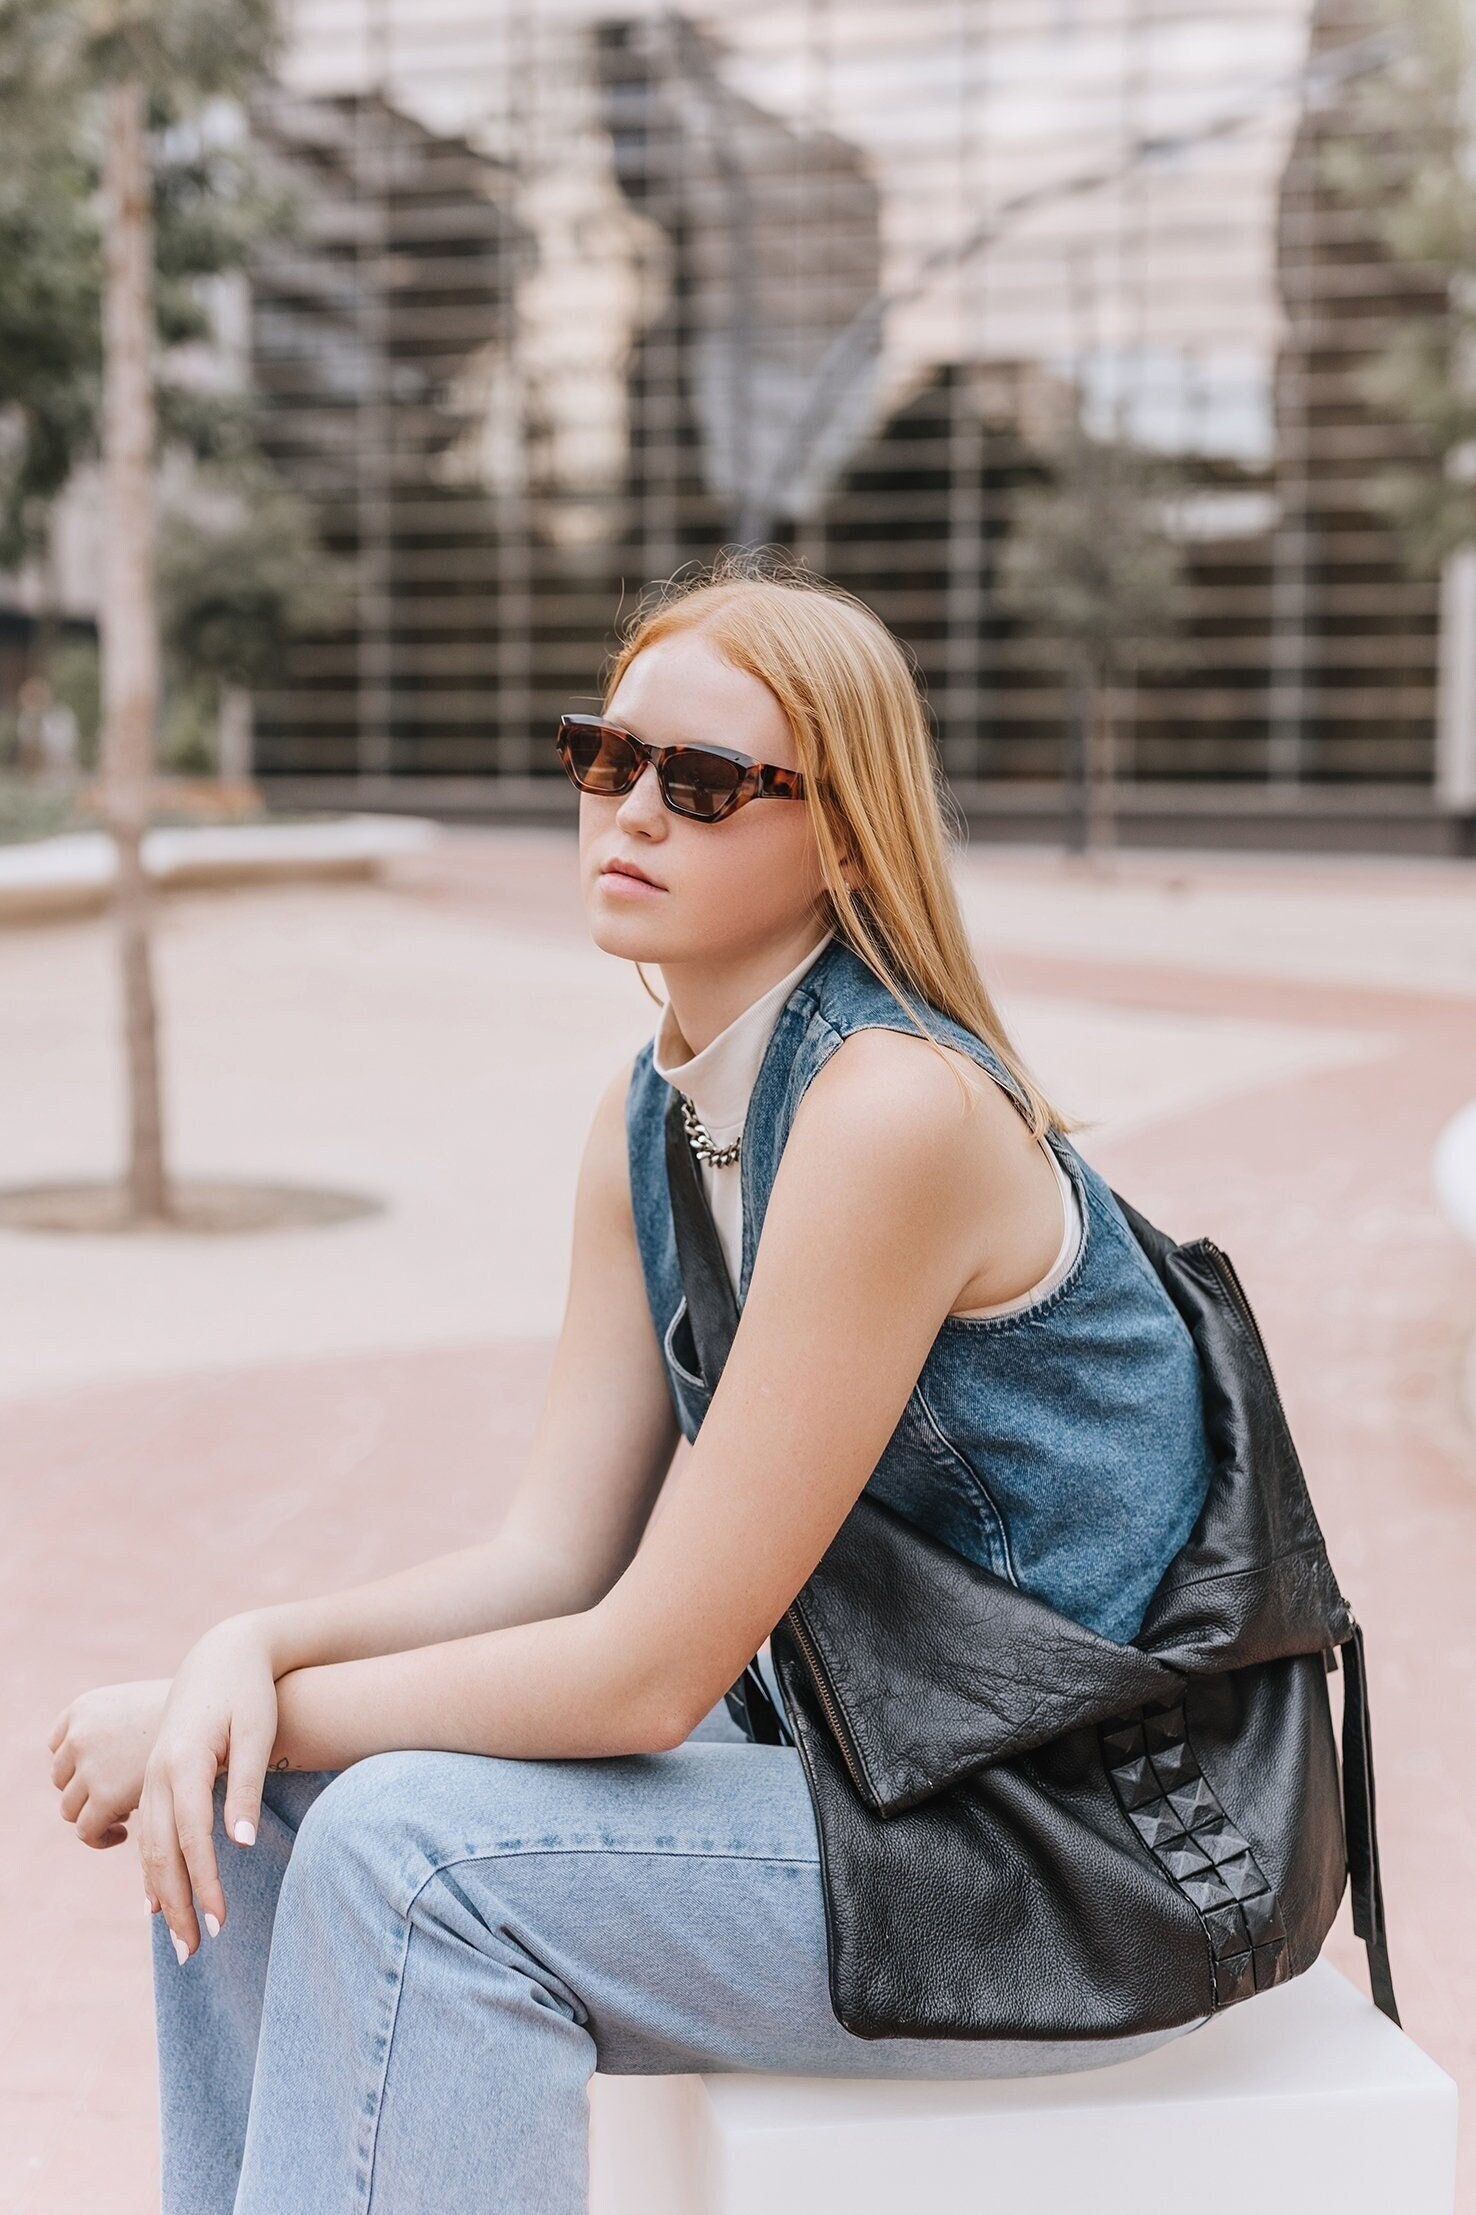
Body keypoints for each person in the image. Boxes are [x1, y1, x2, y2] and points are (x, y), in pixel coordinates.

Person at [47, 556, 1217, 2214]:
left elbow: (644, 1676)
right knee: (247, 1807)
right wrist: (244, 1653)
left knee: (409, 1855)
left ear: (847, 831)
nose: (632, 815)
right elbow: (552, 1561)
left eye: (705, 782)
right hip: (858, 1797)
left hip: (1063, 1854)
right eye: (608, 760)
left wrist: (206, 1719)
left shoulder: (895, 1113)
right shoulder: (651, 1118)